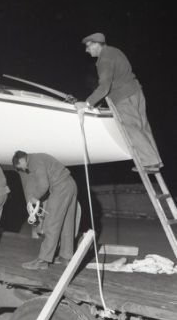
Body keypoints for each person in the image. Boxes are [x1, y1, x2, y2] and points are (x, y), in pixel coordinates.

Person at [75, 32, 162, 172]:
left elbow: (104, 86)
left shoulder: (104, 59)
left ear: (97, 44)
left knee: (131, 127)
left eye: (88, 46)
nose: (87, 50)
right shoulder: (115, 51)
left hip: (123, 97)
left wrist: (87, 103)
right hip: (136, 93)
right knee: (143, 127)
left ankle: (149, 162)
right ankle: (155, 160)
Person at [12, 150, 77, 270]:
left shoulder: (34, 162)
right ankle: (65, 257)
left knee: (51, 224)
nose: (23, 170)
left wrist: (34, 197)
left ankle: (43, 260)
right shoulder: (40, 157)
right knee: (67, 223)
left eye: (20, 167)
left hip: (60, 188)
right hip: (70, 184)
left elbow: (43, 185)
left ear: (21, 160)